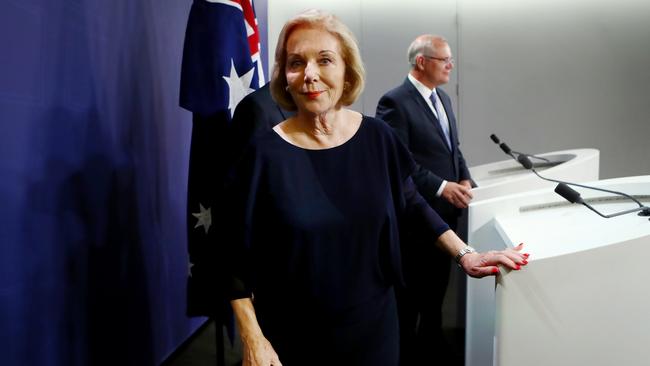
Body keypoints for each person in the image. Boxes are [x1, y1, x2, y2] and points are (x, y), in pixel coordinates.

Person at [223, 11, 528, 366]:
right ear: (285, 77)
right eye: (296, 63)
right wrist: (252, 337)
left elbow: (411, 202)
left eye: (324, 60)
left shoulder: (377, 137)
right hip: (295, 337)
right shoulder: (262, 154)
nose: (309, 74)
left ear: (347, 70)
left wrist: (466, 254)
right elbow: (228, 256)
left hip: (374, 327)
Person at [375, 35, 473, 364]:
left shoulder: (442, 98)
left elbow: (452, 148)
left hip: (446, 217)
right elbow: (400, 164)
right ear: (421, 62)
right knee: (410, 301)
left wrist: (463, 177)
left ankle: (432, 346)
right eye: (444, 59)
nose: (451, 65)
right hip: (414, 224)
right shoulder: (394, 102)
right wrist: (442, 186)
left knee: (436, 297)